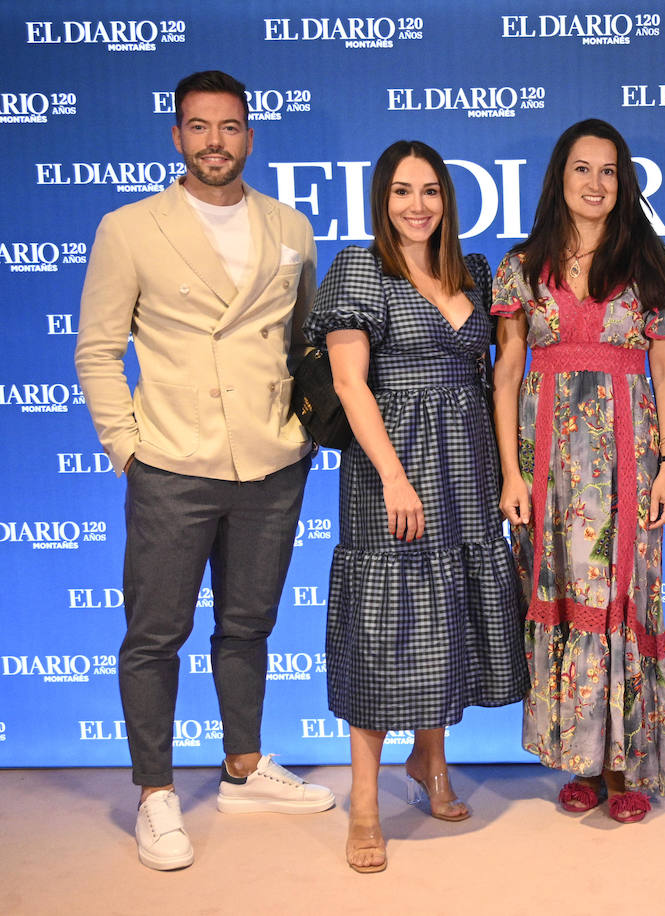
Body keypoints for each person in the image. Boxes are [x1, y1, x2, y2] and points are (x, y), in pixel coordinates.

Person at [74, 70, 333, 872]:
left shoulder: (290, 226)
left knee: (248, 626)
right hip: (173, 462)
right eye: (198, 127)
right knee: (155, 635)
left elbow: (306, 344)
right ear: (177, 136)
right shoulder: (130, 227)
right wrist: (128, 447)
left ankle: (244, 766)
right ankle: (155, 792)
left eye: (229, 127)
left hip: (269, 462)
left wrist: (303, 430)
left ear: (250, 136)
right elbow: (97, 349)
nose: (215, 141)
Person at [305, 141, 528, 872]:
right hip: (390, 467)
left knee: (450, 613)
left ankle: (430, 762)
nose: (417, 205)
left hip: (467, 461)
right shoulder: (359, 267)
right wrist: (396, 479)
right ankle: (364, 804)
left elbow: (495, 379)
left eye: (430, 190)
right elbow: (348, 384)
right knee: (386, 628)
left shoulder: (475, 271)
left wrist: (508, 471)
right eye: (402, 191)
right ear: (382, 199)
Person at [491, 119, 665, 824]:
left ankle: (623, 764)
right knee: (557, 598)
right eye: (583, 168)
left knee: (621, 598)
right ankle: (578, 757)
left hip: (628, 465)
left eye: (609, 171)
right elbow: (507, 373)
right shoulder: (522, 265)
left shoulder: (648, 265)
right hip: (545, 462)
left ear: (623, 183)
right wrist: (512, 475)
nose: (595, 183)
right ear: (560, 176)